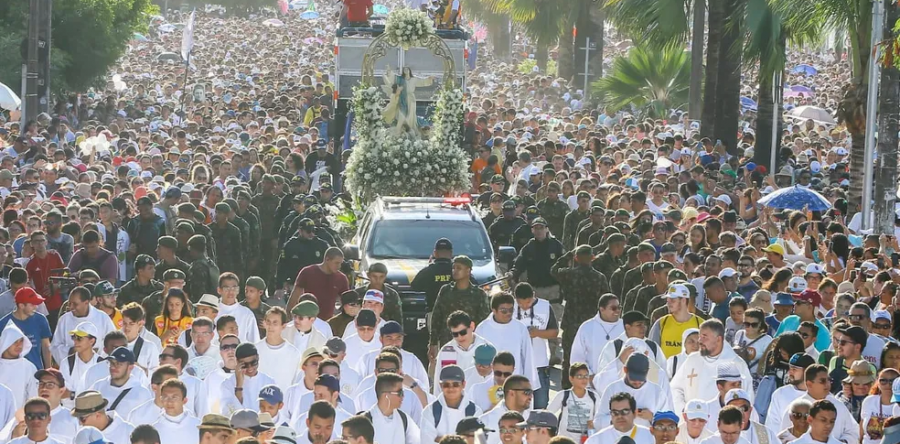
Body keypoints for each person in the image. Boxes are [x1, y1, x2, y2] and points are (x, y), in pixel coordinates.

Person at [551, 243, 611, 388]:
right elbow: (606, 299)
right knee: (591, 358)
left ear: (576, 258)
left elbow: (553, 270)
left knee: (569, 359)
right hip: (592, 324)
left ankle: (567, 390)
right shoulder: (599, 277)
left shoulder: (568, 274)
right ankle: (589, 388)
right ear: (593, 257)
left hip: (572, 322)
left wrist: (567, 256)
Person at [671, 319, 753, 413]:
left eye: (704, 337)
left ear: (718, 339)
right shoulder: (692, 359)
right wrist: (683, 410)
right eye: (700, 336)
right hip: (692, 421)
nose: (699, 341)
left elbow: (747, 398)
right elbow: (675, 388)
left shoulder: (736, 364)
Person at [429, 255, 491, 362]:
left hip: (470, 345)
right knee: (448, 373)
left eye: (459, 268)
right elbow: (436, 317)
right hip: (447, 342)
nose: (455, 271)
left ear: (468, 271)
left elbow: (483, 322)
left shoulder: (478, 294)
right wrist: (433, 343)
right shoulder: (446, 291)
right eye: (453, 268)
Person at [476, 293, 539, 392]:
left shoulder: (520, 328)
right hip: (488, 384)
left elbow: (527, 357)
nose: (508, 313)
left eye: (511, 310)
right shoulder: (482, 329)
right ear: (494, 310)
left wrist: (529, 384)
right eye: (504, 311)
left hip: (514, 383)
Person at [433, 311, 493, 397]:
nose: (459, 337)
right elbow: (439, 385)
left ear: (472, 326)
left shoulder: (486, 348)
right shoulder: (446, 351)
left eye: (463, 332)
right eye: (455, 334)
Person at [50, 286, 115, 365]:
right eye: (69, 303)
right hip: (72, 368)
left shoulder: (102, 318)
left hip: (98, 367)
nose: (71, 307)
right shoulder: (64, 319)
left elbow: (113, 343)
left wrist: (95, 354)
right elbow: (54, 347)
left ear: (86, 303)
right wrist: (72, 351)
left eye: (75, 304)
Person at [421, 365, 483, 444]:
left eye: (455, 384)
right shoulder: (430, 411)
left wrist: (441, 439)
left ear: (463, 384)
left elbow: (480, 441)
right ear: (440, 385)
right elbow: (426, 442)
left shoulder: (475, 411)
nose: (451, 388)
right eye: (446, 385)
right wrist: (464, 439)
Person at [288, 247, 349, 319]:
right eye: (336, 263)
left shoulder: (341, 278)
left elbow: (347, 304)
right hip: (306, 319)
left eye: (340, 263)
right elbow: (295, 296)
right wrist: (288, 317)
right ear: (327, 259)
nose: (339, 266)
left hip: (326, 322)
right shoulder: (308, 272)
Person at [90, 346, 153, 416]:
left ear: (130, 367)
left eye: (119, 364)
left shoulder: (142, 393)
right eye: (112, 363)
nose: (113, 367)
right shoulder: (98, 386)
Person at [571, 294, 624, 376]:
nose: (617, 311)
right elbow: (577, 356)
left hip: (619, 382)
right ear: (602, 309)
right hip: (591, 382)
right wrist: (589, 376)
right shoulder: (587, 327)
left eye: (619, 307)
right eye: (613, 308)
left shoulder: (625, 327)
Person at [0, 286, 51, 370]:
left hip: (36, 371)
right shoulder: (3, 324)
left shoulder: (41, 320)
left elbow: (46, 346)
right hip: (11, 372)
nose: (36, 307)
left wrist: (48, 368)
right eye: (32, 304)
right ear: (21, 305)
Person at [648, 283, 704, 359]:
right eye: (668, 300)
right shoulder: (661, 323)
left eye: (673, 300)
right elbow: (651, 351)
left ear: (683, 300)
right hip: (667, 370)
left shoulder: (701, 324)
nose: (668, 303)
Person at [547, 362, 599, 441]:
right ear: (571, 378)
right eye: (579, 376)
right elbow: (548, 413)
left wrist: (592, 428)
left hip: (586, 440)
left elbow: (599, 418)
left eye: (586, 376)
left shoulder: (594, 396)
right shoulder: (563, 395)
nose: (584, 379)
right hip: (565, 441)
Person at [221, 343, 277, 415]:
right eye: (245, 365)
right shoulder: (227, 385)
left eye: (253, 363)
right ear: (237, 362)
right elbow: (230, 413)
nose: (250, 368)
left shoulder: (269, 382)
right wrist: (239, 386)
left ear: (258, 358)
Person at [365, 372, 421, 444]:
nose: (403, 396)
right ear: (386, 395)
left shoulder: (404, 419)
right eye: (400, 392)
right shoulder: (365, 421)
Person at [766, 353, 815, 434]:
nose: (790, 372)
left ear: (807, 371)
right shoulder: (780, 394)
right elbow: (772, 427)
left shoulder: (819, 395)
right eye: (790, 368)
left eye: (794, 369)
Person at [256, 306, 301, 388]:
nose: (270, 326)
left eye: (275, 323)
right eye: (268, 322)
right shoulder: (255, 350)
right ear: (264, 323)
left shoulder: (294, 354)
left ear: (283, 326)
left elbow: (295, 383)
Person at [479, 375, 532, 444]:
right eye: (527, 393)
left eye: (531, 393)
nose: (530, 397)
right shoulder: (484, 422)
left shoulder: (533, 422)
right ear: (511, 393)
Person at [584, 392, 653, 444]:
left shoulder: (651, 437)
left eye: (625, 411)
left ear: (634, 414)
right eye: (615, 413)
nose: (620, 416)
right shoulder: (595, 440)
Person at [71, 390, 136, 444]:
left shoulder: (128, 431)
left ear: (97, 415)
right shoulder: (81, 435)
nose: (80, 423)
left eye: (82, 419)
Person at [150, 379, 201, 444]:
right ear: (161, 399)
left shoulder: (199, 427)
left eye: (174, 397)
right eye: (165, 397)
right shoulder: (154, 430)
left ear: (184, 400)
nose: (169, 402)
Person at [411, 238, 454, 313]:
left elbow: (414, 287)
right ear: (451, 253)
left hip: (433, 313)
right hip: (454, 314)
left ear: (435, 253)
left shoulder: (427, 271)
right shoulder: (458, 271)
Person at [217, 272, 261, 344]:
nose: (231, 291)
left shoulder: (247, 314)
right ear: (219, 290)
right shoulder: (212, 312)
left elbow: (255, 342)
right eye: (226, 288)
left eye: (234, 288)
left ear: (238, 290)